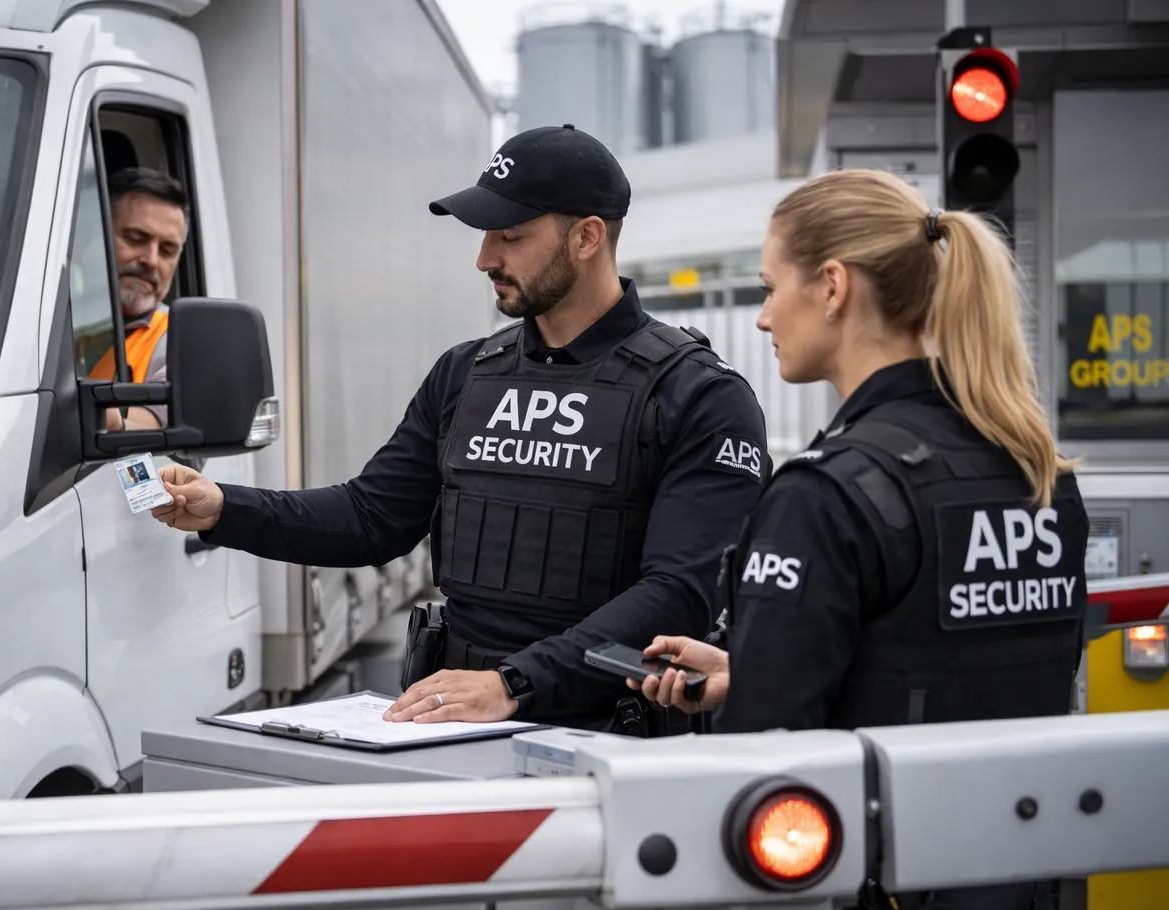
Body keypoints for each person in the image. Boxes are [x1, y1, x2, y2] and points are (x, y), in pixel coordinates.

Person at [630, 168, 1088, 910]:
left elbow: (765, 759)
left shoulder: (830, 492)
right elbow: (957, 669)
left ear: (832, 287)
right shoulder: (1036, 476)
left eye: (771, 289)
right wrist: (750, 664)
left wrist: (746, 692)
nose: (762, 316)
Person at [149, 124, 770, 731]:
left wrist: (514, 684)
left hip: (608, 736)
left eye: (510, 235)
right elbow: (372, 519)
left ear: (586, 238)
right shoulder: (466, 373)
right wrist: (223, 509)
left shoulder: (699, 396)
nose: (484, 258)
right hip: (453, 724)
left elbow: (681, 592)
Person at [0, 167, 189, 430]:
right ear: (93, 234)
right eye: (136, 238)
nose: (151, 260)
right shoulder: (34, 304)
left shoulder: (176, 338)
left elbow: (158, 426)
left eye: (167, 250)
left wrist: (92, 411)